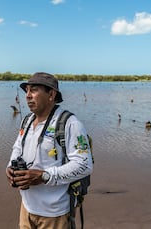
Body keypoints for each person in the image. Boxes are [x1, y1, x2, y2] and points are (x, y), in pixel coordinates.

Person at [6, 72, 93, 229]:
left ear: (51, 94)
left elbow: (84, 165)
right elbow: (18, 147)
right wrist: (10, 167)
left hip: (55, 213)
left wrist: (44, 176)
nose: (27, 96)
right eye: (26, 91)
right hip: (26, 207)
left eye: (34, 90)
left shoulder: (70, 124)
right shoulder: (27, 120)